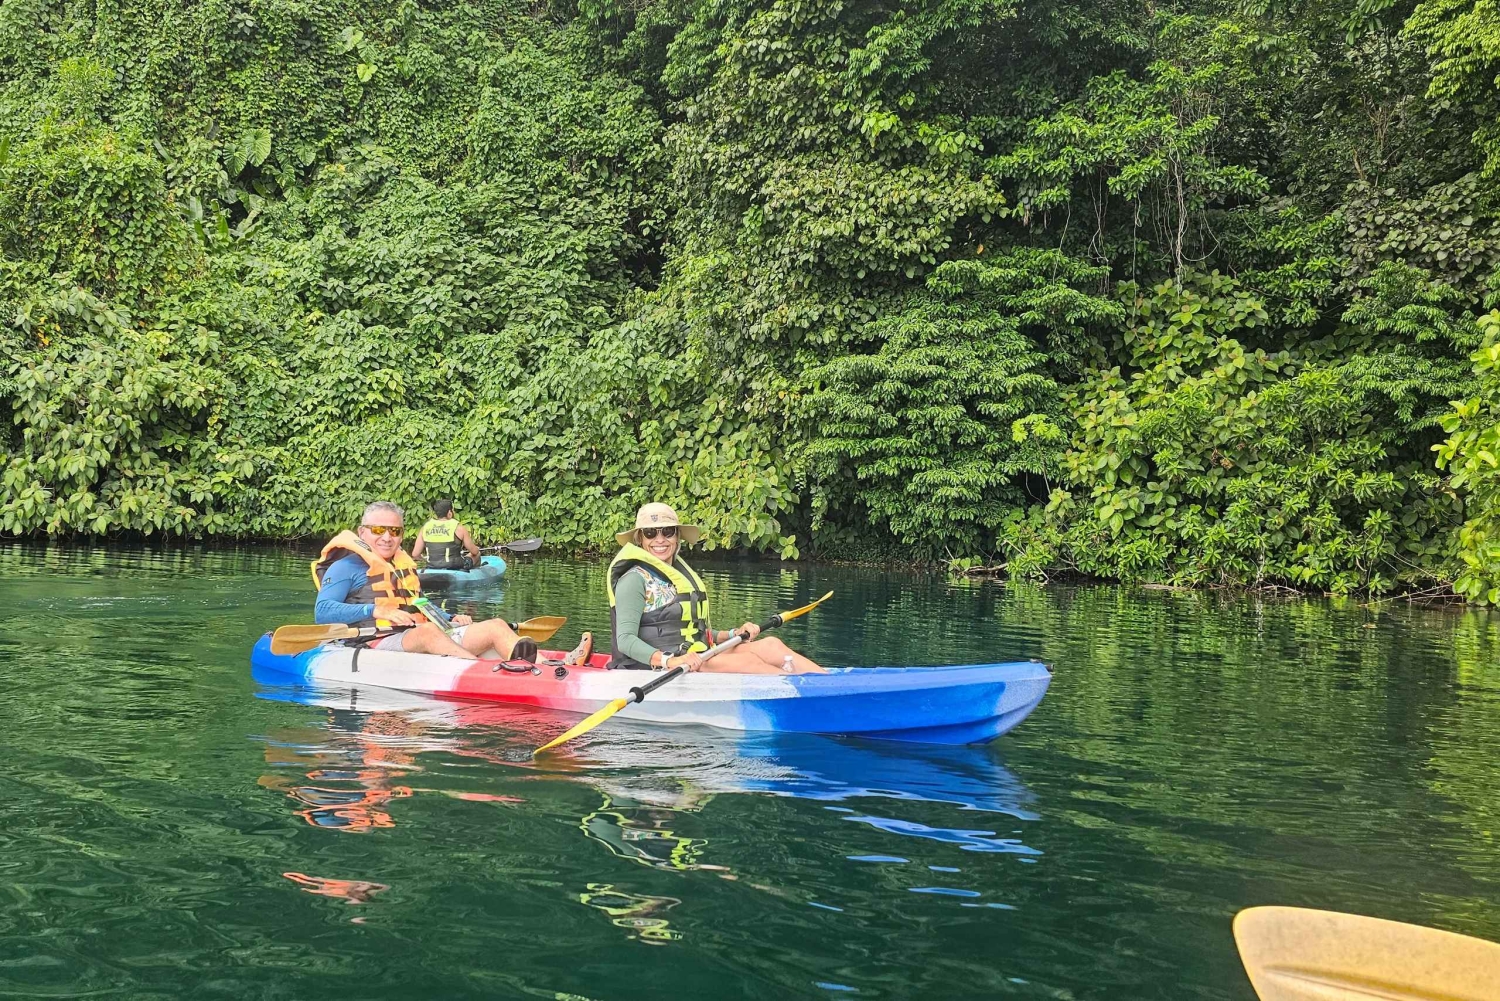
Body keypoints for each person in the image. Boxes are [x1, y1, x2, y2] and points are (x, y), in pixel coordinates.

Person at [606, 503, 825, 674]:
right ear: (640, 539)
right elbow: (624, 640)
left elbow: (689, 631)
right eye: (651, 533)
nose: (660, 539)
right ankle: (805, 695)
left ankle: (828, 683)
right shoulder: (634, 579)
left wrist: (732, 634)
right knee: (748, 661)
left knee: (771, 645)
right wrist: (670, 660)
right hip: (657, 666)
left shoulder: (681, 575)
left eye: (668, 531)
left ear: (677, 535)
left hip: (693, 655)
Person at [313, 501, 535, 661]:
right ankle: (482, 672)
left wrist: (451, 616)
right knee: (428, 632)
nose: (387, 537)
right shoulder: (345, 567)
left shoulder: (401, 565)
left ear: (401, 534)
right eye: (378, 530)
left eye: (394, 531)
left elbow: (418, 603)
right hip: (373, 640)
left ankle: (549, 669)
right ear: (362, 532)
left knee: (495, 626)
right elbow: (323, 611)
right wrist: (375, 611)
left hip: (418, 633)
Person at [411, 499, 481, 570]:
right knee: (477, 554)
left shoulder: (425, 528)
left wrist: (424, 560)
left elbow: (415, 554)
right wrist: (477, 549)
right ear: (449, 513)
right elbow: (474, 551)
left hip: (432, 567)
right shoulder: (459, 528)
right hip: (455, 567)